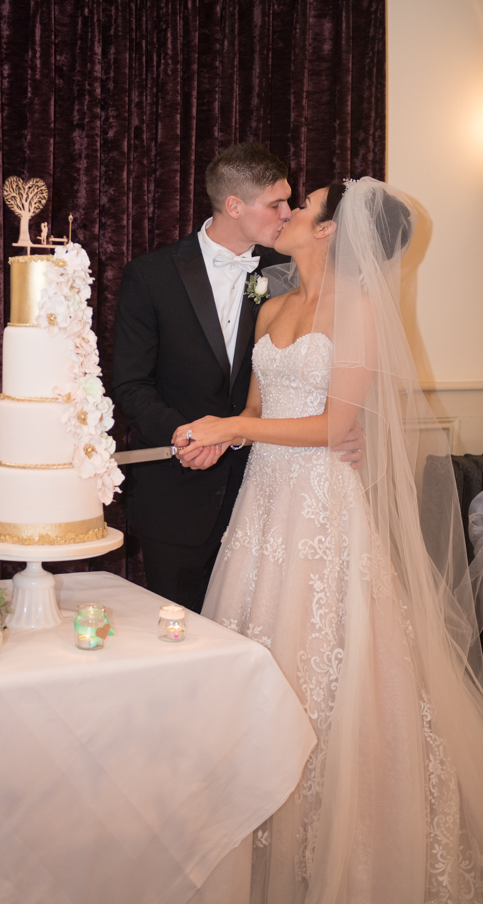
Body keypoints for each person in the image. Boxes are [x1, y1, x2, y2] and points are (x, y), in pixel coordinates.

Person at [174, 178, 483, 904]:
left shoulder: (364, 312)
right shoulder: (274, 305)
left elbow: (331, 424)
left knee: (328, 666)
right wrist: (217, 438)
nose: (287, 214)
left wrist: (232, 429)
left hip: (321, 511)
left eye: (302, 206)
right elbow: (255, 409)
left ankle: (346, 852)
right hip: (262, 510)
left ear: (332, 233)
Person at [112, 143, 362, 611]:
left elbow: (325, 367)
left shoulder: (288, 270)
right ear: (233, 206)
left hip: (273, 492)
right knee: (180, 630)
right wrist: (185, 435)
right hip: (178, 492)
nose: (287, 215)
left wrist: (351, 427)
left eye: (292, 203)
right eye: (276, 204)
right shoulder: (150, 275)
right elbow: (130, 383)